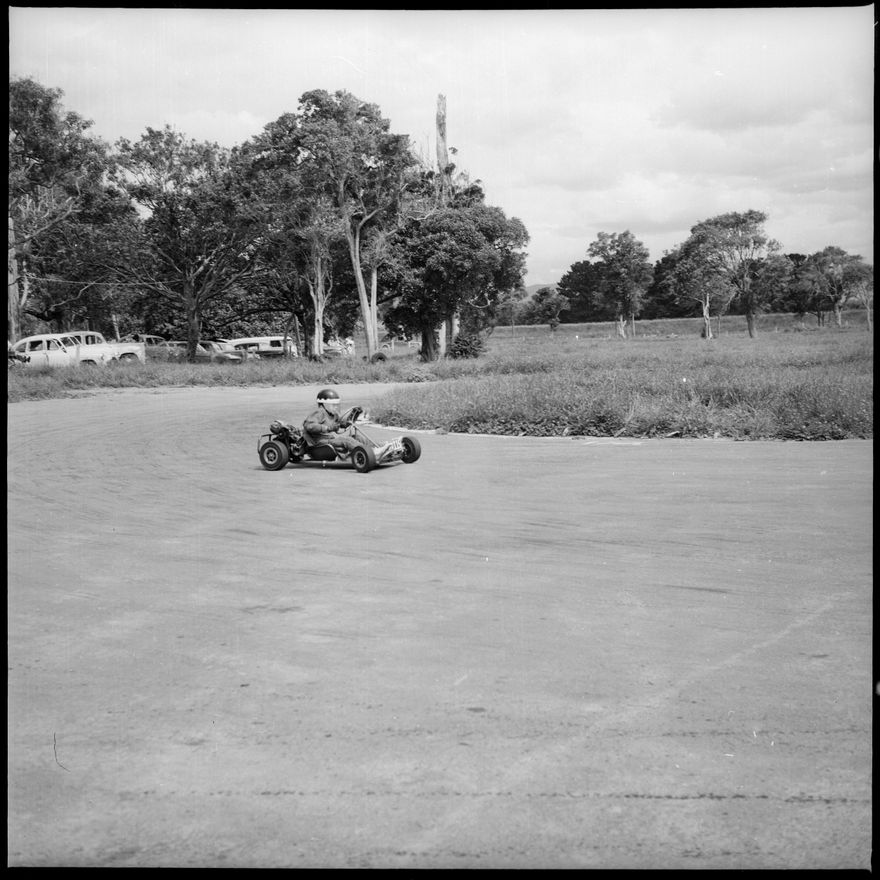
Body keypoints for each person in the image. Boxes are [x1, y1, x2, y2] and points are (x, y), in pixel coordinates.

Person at [301, 387, 361, 454]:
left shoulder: (333, 414)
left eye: (336, 405)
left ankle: (371, 451)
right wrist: (327, 428)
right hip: (319, 442)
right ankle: (365, 453)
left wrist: (354, 414)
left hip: (330, 440)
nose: (336, 407)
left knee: (357, 437)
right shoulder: (319, 413)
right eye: (333, 405)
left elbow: (344, 424)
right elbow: (309, 426)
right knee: (346, 441)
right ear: (324, 404)